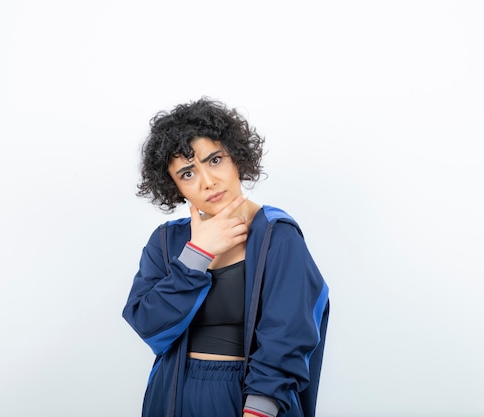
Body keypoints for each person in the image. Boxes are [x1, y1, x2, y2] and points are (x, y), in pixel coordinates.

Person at [122, 98, 330, 417]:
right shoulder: (166, 240)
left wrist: (259, 409)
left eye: (215, 160)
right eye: (188, 174)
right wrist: (197, 254)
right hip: (172, 396)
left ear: (236, 156)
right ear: (174, 186)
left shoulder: (278, 235)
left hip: (249, 399)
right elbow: (149, 326)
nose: (208, 181)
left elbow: (289, 334)